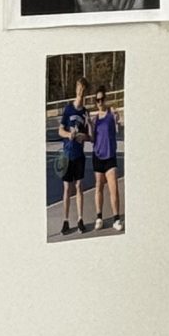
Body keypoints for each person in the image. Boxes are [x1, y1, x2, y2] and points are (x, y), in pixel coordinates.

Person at [57, 81, 90, 236]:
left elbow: (90, 136)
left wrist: (84, 136)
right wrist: (68, 135)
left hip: (79, 156)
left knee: (78, 187)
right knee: (67, 188)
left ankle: (80, 220)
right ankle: (65, 221)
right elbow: (60, 131)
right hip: (67, 155)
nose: (81, 91)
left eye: (83, 89)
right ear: (76, 89)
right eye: (79, 88)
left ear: (85, 92)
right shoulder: (68, 109)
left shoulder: (86, 113)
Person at [90, 96, 122, 232]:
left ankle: (116, 219)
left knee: (113, 188)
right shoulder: (95, 119)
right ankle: (99, 218)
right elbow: (92, 139)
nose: (100, 102)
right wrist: (89, 126)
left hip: (110, 157)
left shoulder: (111, 114)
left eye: (102, 99)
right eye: (97, 100)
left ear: (105, 100)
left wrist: (117, 118)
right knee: (98, 188)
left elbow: (117, 125)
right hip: (97, 156)